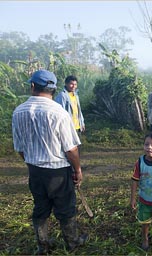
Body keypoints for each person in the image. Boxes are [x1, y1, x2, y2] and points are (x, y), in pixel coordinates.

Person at [12, 70, 88, 254]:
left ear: (32, 86)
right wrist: (77, 170)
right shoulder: (59, 113)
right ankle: (72, 243)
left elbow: (20, 148)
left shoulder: (18, 112)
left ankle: (43, 246)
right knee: (65, 208)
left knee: (40, 207)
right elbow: (71, 149)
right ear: (53, 89)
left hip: (35, 170)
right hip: (58, 171)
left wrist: (31, 162)